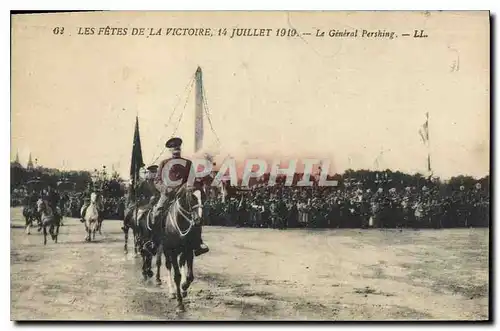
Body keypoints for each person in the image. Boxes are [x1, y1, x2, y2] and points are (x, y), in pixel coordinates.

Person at [153, 137, 209, 256]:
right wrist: (165, 189)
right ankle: (154, 242)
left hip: (184, 194)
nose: (176, 151)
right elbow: (157, 181)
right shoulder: (163, 163)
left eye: (178, 148)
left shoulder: (188, 163)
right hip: (167, 194)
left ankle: (198, 243)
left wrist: (186, 187)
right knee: (157, 212)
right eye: (174, 149)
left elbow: (191, 178)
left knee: (196, 214)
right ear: (170, 150)